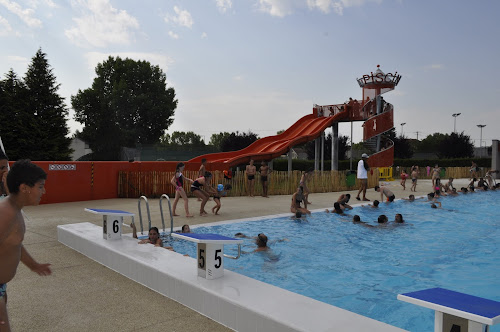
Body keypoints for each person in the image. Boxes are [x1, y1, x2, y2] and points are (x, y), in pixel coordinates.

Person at [0, 160, 52, 330]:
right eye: (40, 186)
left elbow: (15, 245)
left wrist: (34, 265)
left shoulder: (15, 210)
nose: (44, 191)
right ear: (24, 188)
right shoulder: (5, 213)